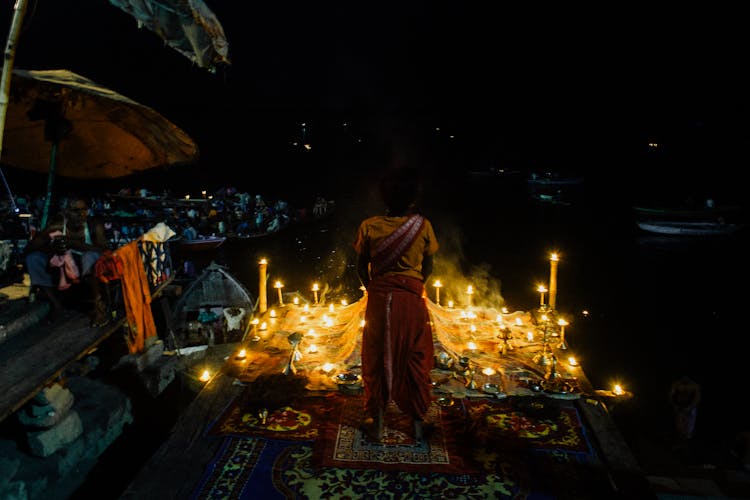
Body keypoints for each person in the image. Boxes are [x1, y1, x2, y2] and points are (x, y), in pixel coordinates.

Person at [352, 167, 439, 444]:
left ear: (384, 198)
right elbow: (429, 266)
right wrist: (411, 286)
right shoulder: (422, 226)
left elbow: (360, 267)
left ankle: (377, 426)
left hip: (379, 300)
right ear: (413, 199)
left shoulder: (369, 226)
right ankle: (415, 426)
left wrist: (376, 287)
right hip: (411, 301)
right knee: (414, 356)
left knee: (377, 357)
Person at [24, 197, 110, 326]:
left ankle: (99, 306)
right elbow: (30, 248)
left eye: (84, 210)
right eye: (75, 210)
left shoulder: (94, 225)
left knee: (90, 256)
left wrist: (75, 244)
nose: (81, 214)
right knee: (33, 259)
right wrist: (52, 248)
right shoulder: (57, 226)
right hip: (63, 268)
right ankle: (56, 304)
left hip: (89, 270)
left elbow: (104, 250)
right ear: (65, 212)